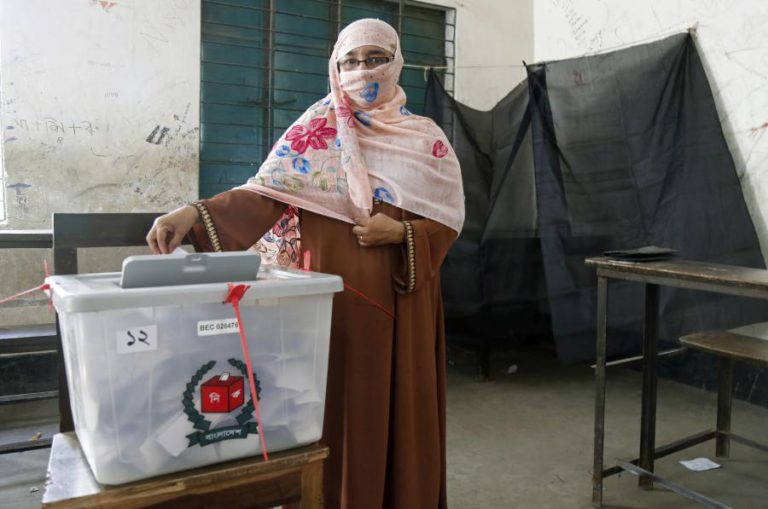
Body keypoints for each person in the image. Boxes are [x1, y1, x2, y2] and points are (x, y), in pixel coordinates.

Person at [147, 18, 464, 509]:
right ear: (335, 68)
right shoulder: (315, 131)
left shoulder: (426, 140)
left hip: (405, 295)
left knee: (402, 404)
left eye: (375, 58)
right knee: (337, 401)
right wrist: (194, 212)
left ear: (397, 62)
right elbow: (263, 196)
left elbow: (446, 220)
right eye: (351, 61)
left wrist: (400, 232)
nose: (363, 71)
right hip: (332, 299)